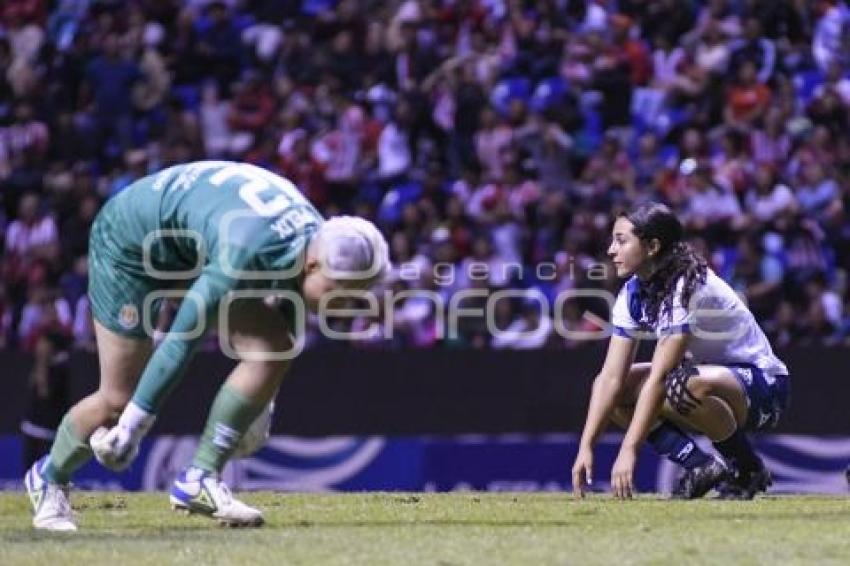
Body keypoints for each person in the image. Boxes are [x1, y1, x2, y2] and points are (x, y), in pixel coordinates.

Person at [25, 161, 390, 531]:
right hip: (130, 245)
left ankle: (199, 478)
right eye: (336, 292)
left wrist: (261, 406)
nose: (340, 306)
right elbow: (182, 339)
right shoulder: (246, 251)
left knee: (273, 346)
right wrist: (133, 427)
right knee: (118, 399)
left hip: (188, 246)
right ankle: (48, 477)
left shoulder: (314, 240)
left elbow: (288, 318)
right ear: (312, 264)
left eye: (352, 296)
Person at [571, 202, 790, 500]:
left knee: (682, 384)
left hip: (765, 387)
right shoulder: (633, 292)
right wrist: (586, 447)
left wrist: (629, 450)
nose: (611, 250)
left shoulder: (687, 286)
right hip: (707, 382)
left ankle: (747, 468)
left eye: (621, 241)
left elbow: (660, 378)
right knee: (614, 388)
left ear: (652, 246)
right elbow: (611, 377)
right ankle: (699, 466)